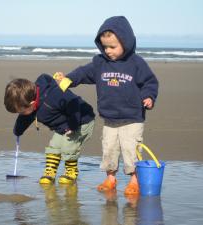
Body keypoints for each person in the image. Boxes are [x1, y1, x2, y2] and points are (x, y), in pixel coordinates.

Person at [54, 16, 158, 195]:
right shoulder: (100, 63)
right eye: (105, 47)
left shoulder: (136, 63)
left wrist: (149, 96)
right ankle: (111, 178)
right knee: (109, 149)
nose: (108, 51)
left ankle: (134, 180)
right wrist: (68, 79)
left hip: (132, 117)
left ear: (126, 42)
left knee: (130, 149)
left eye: (113, 47)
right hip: (109, 118)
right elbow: (83, 73)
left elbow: (150, 82)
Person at [4, 73, 95, 184]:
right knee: (54, 147)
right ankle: (50, 173)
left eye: (22, 111)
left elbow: (74, 103)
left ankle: (71, 172)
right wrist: (18, 130)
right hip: (63, 126)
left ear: (32, 104)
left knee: (68, 147)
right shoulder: (31, 104)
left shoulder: (54, 96)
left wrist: (72, 124)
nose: (22, 114)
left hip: (81, 120)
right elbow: (25, 118)